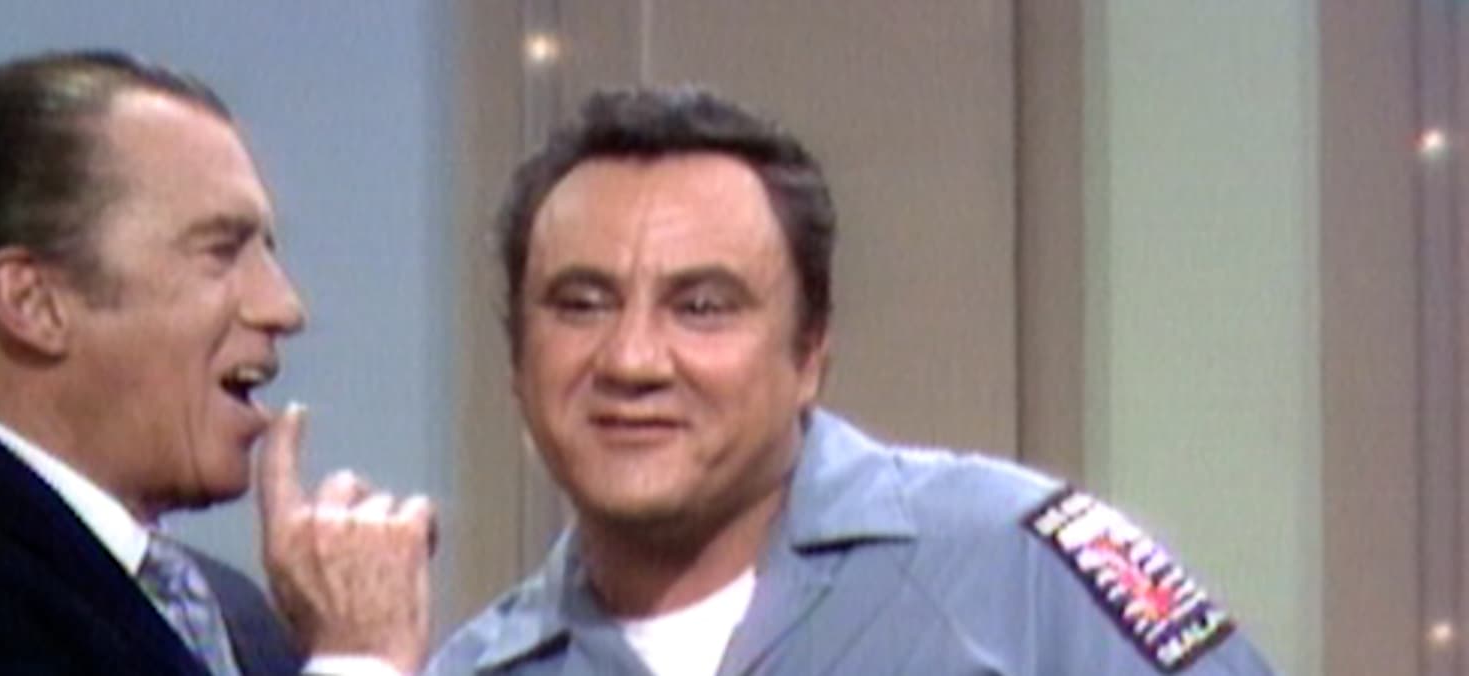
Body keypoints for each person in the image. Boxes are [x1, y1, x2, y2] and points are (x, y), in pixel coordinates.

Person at [427, 87, 1274, 675]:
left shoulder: (1018, 568)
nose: (633, 361)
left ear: (810, 353)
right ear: (517, 360)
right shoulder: (474, 668)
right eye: (580, 305)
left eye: (703, 307)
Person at [0, 51, 433, 676]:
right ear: (32, 302)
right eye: (221, 251)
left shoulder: (237, 614)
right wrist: (357, 661)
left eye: (267, 252)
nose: (284, 307)